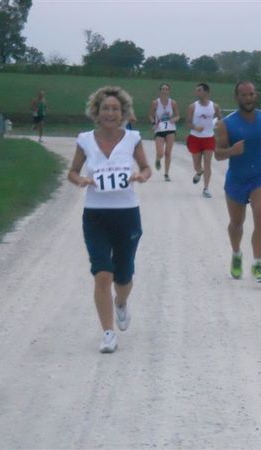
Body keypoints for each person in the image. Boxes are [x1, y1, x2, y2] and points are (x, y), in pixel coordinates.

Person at [67, 86, 151, 353]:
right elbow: (72, 171)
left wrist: (141, 175)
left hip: (127, 214)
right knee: (102, 273)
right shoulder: (85, 140)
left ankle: (121, 303)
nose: (110, 113)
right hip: (96, 215)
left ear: (123, 112)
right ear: (97, 112)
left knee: (123, 274)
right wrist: (80, 179)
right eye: (105, 108)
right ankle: (107, 333)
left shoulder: (132, 139)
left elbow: (147, 168)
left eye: (115, 109)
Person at [215, 80, 261, 283]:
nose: (248, 98)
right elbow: (218, 154)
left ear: (256, 96)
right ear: (237, 98)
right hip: (237, 179)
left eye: (251, 94)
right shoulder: (226, 123)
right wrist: (232, 151)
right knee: (236, 224)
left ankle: (258, 264)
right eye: (243, 95)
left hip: (260, 177)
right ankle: (236, 255)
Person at [186, 83, 222, 197]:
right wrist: (195, 127)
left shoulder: (214, 106)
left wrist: (217, 123)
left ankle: (206, 188)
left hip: (209, 138)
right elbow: (187, 123)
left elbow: (220, 119)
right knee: (196, 165)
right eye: (196, 90)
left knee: (208, 163)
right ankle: (199, 171)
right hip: (195, 138)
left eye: (199, 90)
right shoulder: (193, 106)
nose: (197, 92)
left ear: (206, 92)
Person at [148, 83, 180, 181]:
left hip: (170, 129)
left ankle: (166, 174)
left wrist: (173, 119)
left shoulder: (173, 103)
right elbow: (150, 115)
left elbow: (178, 115)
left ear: (169, 91)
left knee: (168, 152)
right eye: (163, 89)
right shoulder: (155, 103)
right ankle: (158, 159)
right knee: (160, 152)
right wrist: (153, 123)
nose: (165, 91)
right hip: (159, 129)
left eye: (166, 89)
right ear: (160, 91)